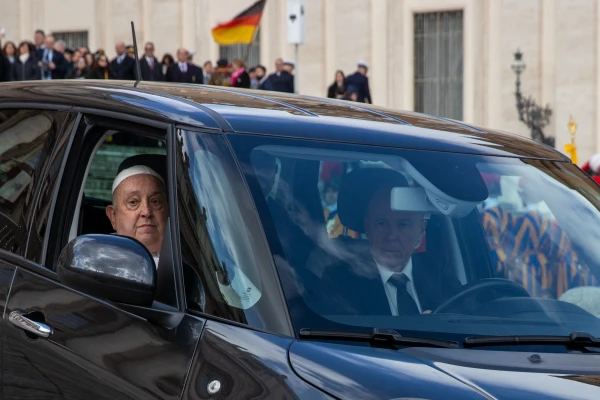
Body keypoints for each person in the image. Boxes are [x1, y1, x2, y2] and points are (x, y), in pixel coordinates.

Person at [319, 168, 462, 315]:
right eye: (382, 224)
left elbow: (465, 316)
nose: (392, 235)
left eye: (403, 225)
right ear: (367, 227)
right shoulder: (341, 279)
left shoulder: (437, 272)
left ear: (421, 230)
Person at [106, 155, 168, 264]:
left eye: (155, 201)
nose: (147, 212)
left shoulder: (193, 260)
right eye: (133, 202)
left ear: (167, 210)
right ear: (113, 216)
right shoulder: (100, 260)